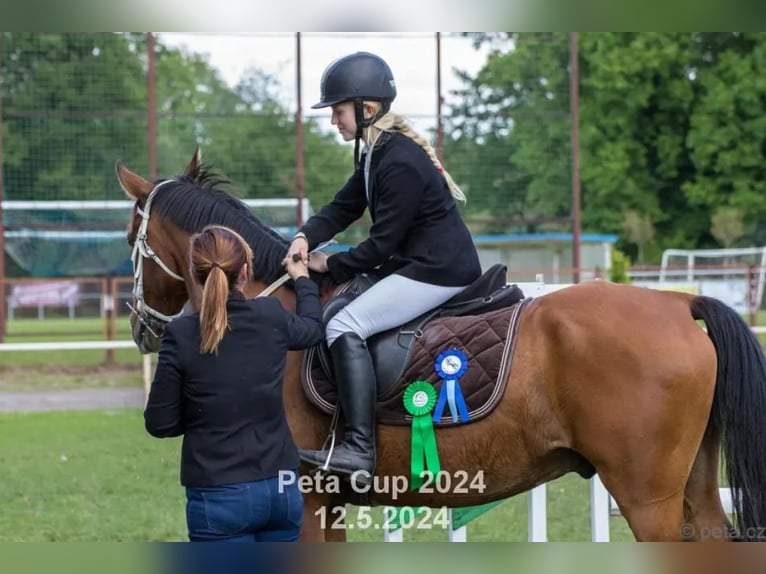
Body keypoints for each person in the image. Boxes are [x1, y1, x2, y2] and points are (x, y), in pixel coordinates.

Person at [284, 52, 482, 480]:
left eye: (337, 111)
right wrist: (304, 236)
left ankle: (359, 448)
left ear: (366, 109)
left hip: (438, 271)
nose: (333, 120)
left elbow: (380, 245)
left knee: (343, 326)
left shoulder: (400, 160)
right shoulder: (374, 154)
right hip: (415, 263)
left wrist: (330, 265)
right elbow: (343, 207)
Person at [144, 225, 324, 542]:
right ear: (245, 271)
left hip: (219, 495)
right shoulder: (271, 315)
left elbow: (160, 423)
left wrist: (206, 412)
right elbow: (312, 328)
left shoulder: (181, 334)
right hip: (282, 490)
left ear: (195, 273)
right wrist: (302, 279)